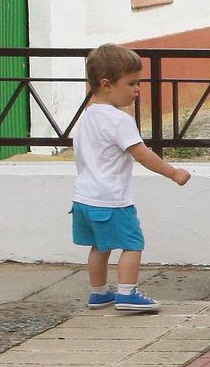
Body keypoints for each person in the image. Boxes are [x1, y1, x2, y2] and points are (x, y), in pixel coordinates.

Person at [71, 44, 190, 314]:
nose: (137, 89)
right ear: (106, 84)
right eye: (132, 83)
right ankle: (127, 293)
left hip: (83, 198)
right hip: (112, 199)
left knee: (99, 246)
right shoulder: (119, 120)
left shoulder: (87, 115)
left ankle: (99, 293)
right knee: (132, 243)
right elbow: (141, 153)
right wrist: (173, 172)